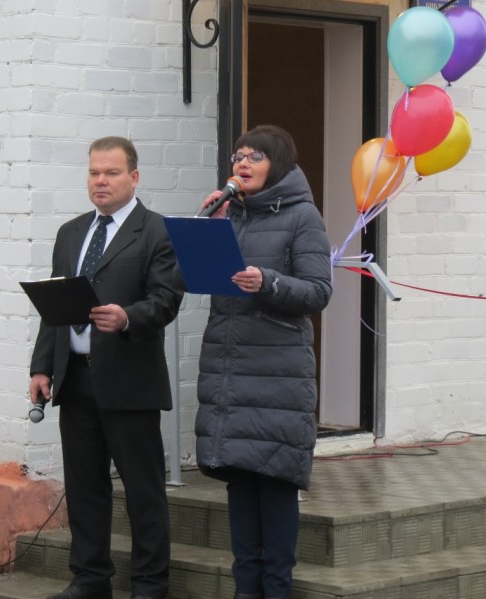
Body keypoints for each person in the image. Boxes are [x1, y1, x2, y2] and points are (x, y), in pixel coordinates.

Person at [28, 136, 184, 599]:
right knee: (84, 488)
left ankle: (150, 586)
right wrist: (41, 367)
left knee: (143, 491)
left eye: (111, 173)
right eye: (94, 172)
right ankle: (90, 579)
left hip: (130, 381)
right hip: (75, 378)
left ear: (134, 177)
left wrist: (127, 318)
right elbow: (55, 307)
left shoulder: (157, 231)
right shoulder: (71, 233)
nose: (101, 181)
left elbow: (166, 300)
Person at [194, 125, 333, 599]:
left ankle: (277, 589)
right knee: (240, 482)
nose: (242, 163)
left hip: (277, 373)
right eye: (238, 155)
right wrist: (209, 229)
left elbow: (318, 291)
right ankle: (245, 591)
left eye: (255, 156)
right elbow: (193, 276)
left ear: (279, 164)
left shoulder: (303, 216)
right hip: (229, 367)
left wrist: (268, 282)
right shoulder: (228, 213)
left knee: (274, 483)